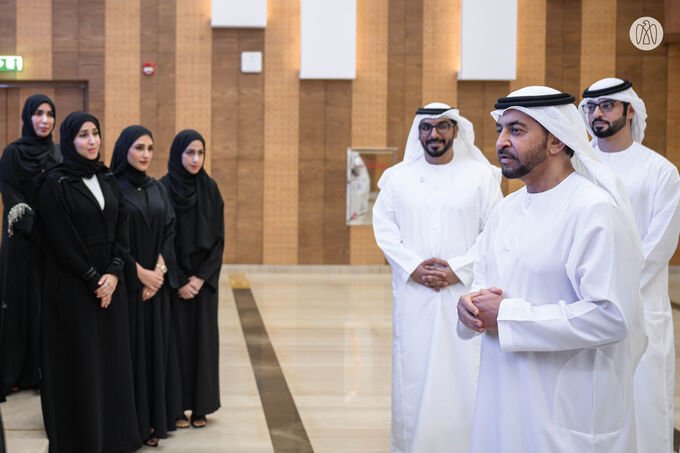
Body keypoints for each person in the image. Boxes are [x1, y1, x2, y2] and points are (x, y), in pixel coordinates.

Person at [457, 86, 647, 452]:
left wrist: (508, 316)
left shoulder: (593, 210)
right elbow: (485, 287)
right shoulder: (506, 210)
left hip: (564, 406)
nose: (501, 142)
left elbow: (612, 316)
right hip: (503, 396)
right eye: (501, 130)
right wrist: (468, 307)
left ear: (557, 141)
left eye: (516, 130)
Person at [372, 103, 502, 453]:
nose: (434, 135)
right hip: (416, 295)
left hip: (464, 293)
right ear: (418, 133)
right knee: (414, 372)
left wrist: (458, 268)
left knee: (465, 371)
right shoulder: (398, 178)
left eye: (442, 127)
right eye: (427, 128)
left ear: (455, 130)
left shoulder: (481, 176)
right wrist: (413, 265)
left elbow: (494, 230)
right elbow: (384, 229)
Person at [579, 77, 680, 453]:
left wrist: (616, 288)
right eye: (590, 107)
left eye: (606, 106)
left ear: (629, 109)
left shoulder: (660, 171)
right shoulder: (575, 166)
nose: (596, 114)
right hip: (584, 304)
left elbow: (660, 243)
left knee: (645, 403)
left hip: (641, 305)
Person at [36, 112, 141, 452]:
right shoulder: (55, 181)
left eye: (95, 133)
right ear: (69, 140)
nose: (92, 141)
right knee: (81, 366)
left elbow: (121, 228)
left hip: (112, 286)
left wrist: (113, 272)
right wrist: (93, 278)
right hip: (72, 287)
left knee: (111, 364)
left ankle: (114, 439)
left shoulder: (107, 178)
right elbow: (59, 237)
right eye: (83, 135)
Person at [110, 125, 176, 448]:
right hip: (130, 290)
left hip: (156, 288)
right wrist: (141, 274)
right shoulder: (113, 188)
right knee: (132, 355)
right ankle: (132, 426)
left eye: (150, 148)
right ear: (125, 149)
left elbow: (169, 231)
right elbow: (114, 240)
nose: (146, 154)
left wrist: (159, 272)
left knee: (155, 353)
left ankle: (153, 423)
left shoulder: (157, 188)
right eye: (139, 148)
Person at [160, 129, 223, 429]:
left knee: (203, 342)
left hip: (203, 284)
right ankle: (175, 408)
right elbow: (162, 241)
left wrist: (200, 279)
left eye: (200, 153)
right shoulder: (162, 188)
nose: (196, 159)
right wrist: (180, 280)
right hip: (174, 282)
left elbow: (219, 241)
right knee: (175, 344)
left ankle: (201, 407)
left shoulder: (211, 190)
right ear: (177, 154)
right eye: (190, 153)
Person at [0, 94, 61, 397]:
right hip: (22, 244)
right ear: (27, 117)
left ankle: (41, 371)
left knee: (46, 305)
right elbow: (11, 196)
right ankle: (14, 371)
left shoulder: (59, 154)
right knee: (20, 304)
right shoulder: (12, 153)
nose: (44, 120)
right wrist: (36, 229)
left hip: (52, 246)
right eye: (38, 113)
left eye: (49, 114)